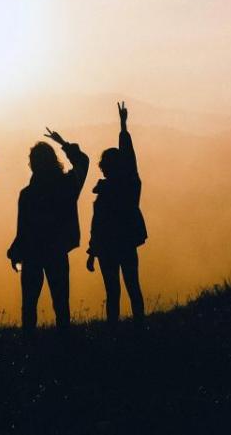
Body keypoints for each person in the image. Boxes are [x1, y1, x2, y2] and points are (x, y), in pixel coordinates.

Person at [7, 128, 89, 333]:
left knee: (29, 304)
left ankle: (29, 344)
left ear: (32, 164)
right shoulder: (67, 185)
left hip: (32, 253)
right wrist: (64, 143)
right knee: (61, 302)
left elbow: (23, 228)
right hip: (57, 250)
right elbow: (83, 163)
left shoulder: (27, 194)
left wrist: (16, 251)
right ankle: (64, 344)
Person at [85, 101, 147, 327]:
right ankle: (140, 327)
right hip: (126, 243)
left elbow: (97, 225)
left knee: (113, 291)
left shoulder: (110, 189)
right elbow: (130, 159)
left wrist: (93, 251)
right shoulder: (130, 184)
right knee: (133, 287)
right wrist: (122, 126)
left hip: (108, 247)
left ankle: (113, 331)